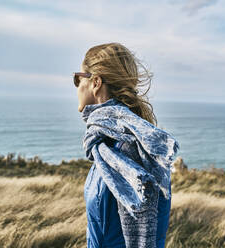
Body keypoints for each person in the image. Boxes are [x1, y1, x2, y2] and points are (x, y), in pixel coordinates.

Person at [74, 43, 174, 248]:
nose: (76, 86)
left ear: (95, 82)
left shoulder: (130, 148)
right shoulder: (105, 145)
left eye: (77, 78)